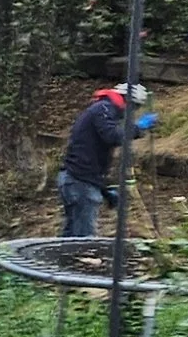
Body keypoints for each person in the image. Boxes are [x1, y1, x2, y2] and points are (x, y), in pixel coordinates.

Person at [57, 82, 153, 238]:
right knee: (83, 239)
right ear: (127, 101)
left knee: (72, 234)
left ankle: (63, 261)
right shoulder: (103, 109)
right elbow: (112, 136)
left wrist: (103, 189)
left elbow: (92, 156)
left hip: (78, 179)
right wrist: (138, 128)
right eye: (134, 107)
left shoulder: (104, 110)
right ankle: (77, 261)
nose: (132, 111)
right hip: (79, 181)